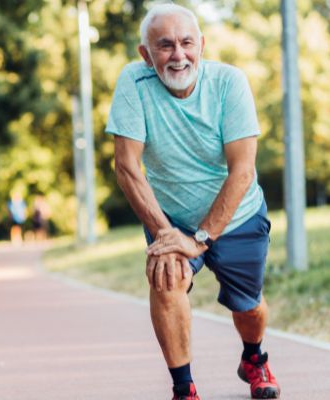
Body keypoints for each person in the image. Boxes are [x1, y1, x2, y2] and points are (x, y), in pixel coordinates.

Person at [106, 4, 279, 400]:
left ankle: (254, 358)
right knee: (167, 277)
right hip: (171, 217)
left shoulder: (229, 83)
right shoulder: (134, 83)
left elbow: (243, 171)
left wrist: (200, 239)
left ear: (202, 45)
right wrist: (169, 235)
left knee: (249, 307)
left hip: (238, 216)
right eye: (164, 46)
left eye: (186, 43)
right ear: (145, 55)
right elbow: (127, 167)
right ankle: (184, 389)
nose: (178, 55)